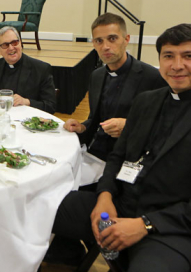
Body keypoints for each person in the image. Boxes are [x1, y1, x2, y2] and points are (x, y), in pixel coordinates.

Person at [51, 23, 191, 272]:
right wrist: (105, 197)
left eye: (188, 56)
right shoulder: (147, 101)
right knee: (41, 207)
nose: (177, 65)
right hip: (121, 206)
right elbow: (118, 158)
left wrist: (145, 224)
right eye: (168, 56)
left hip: (173, 228)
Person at [64, 13, 166, 186]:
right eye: (99, 41)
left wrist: (128, 126)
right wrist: (82, 127)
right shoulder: (96, 76)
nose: (105, 46)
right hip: (92, 151)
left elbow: (164, 126)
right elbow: (96, 118)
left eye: (112, 39)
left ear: (126, 39)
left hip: (125, 159)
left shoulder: (151, 77)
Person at [0, 26, 56, 113]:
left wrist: (26, 102)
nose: (11, 48)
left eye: (14, 42)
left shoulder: (41, 69)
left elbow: (50, 106)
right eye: (5, 45)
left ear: (20, 43)